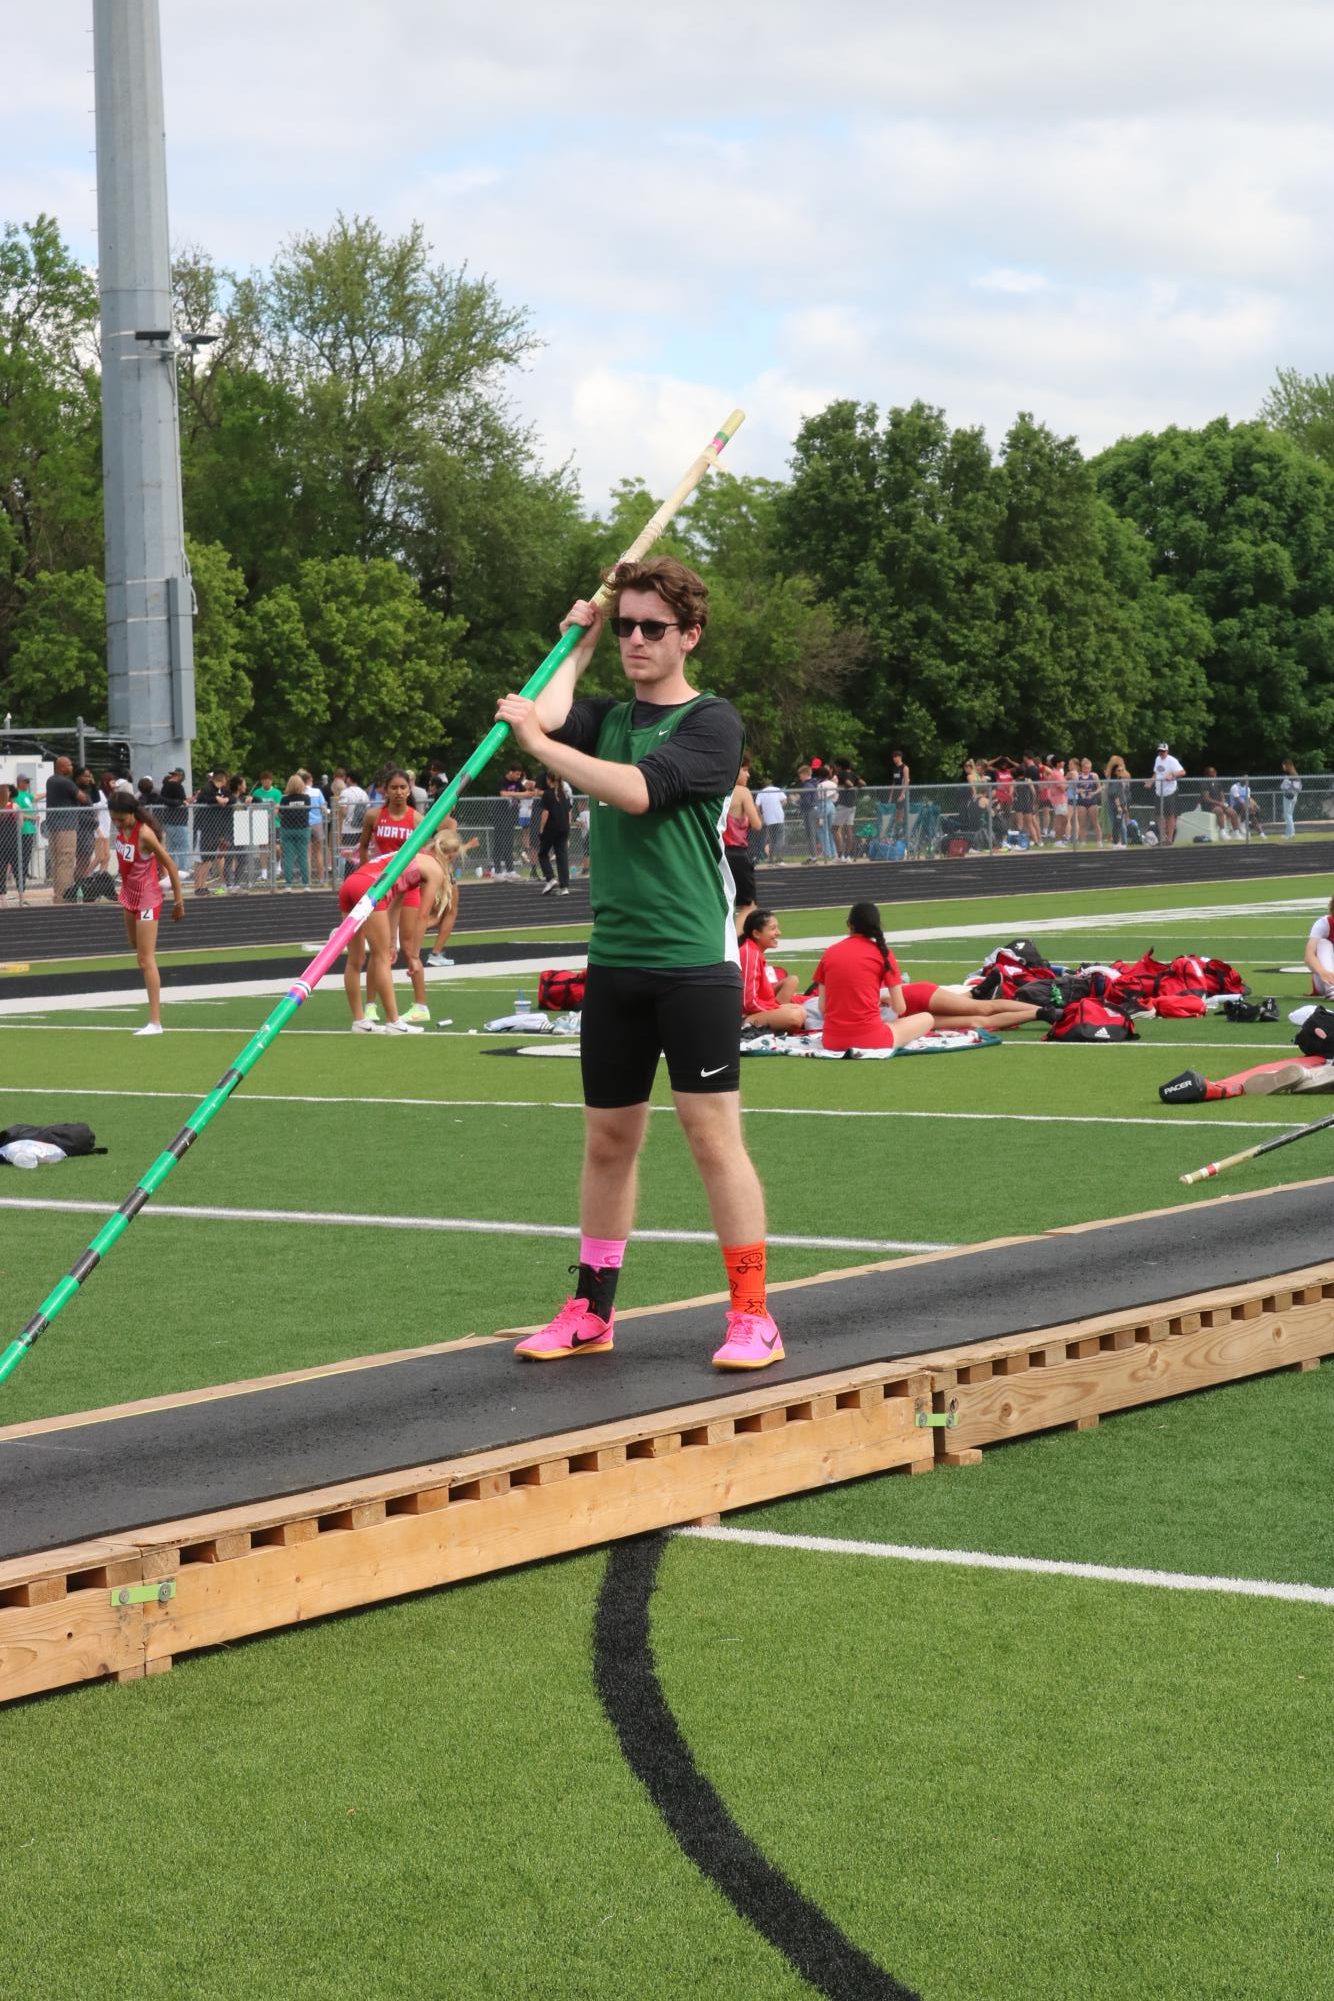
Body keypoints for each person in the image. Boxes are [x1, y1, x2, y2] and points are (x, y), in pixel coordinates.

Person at [493, 553, 784, 1371]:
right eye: (626, 625)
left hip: (693, 962)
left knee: (711, 1137)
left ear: (690, 635)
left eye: (653, 627)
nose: (637, 639)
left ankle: (754, 1313)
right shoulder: (610, 713)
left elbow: (637, 791)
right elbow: (549, 718)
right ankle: (591, 1308)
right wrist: (576, 647)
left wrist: (533, 745)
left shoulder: (712, 724)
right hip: (616, 960)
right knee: (608, 1139)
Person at [338, 843, 447, 1034]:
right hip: (370, 886)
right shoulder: (434, 868)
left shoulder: (407, 856)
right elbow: (423, 915)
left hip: (351, 884)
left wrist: (391, 942)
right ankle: (394, 1022)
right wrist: (413, 956)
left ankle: (359, 1021)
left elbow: (396, 901)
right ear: (449, 856)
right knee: (380, 958)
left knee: (355, 959)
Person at [108, 789, 185, 1035]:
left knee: (145, 958)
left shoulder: (144, 833)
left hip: (148, 898)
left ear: (132, 813)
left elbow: (170, 864)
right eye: (114, 819)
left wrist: (178, 900)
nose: (117, 823)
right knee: (134, 945)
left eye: (121, 819)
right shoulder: (122, 830)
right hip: (129, 894)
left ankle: (155, 1022)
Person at [810, 902, 935, 1052]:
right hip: (872, 1039)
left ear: (849, 925)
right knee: (927, 1018)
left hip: (832, 1041)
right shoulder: (882, 953)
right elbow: (900, 1008)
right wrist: (883, 1001)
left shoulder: (829, 953)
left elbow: (823, 1008)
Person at [360, 770, 430, 1025]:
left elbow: (424, 856)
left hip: (408, 888)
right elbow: (363, 847)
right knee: (378, 948)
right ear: (385, 790)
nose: (399, 792)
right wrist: (366, 876)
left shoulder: (417, 819)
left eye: (403, 787)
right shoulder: (373, 816)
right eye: (394, 787)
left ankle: (420, 1005)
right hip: (381, 888)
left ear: (409, 790)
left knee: (410, 947)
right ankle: (370, 1007)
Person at [739, 909, 807, 1031]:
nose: (778, 932)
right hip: (743, 1017)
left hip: (753, 1011)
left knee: (800, 1010)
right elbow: (748, 1002)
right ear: (756, 934)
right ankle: (748, 1028)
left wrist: (775, 1009)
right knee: (794, 1017)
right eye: (773, 928)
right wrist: (774, 1010)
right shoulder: (749, 953)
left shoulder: (753, 951)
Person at [43, 757, 87, 901]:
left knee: (57, 861)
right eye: (69, 765)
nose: (72, 767)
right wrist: (81, 785)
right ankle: (64, 895)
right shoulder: (66, 782)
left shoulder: (50, 780)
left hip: (54, 826)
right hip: (66, 826)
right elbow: (83, 798)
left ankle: (58, 893)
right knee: (66, 860)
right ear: (61, 767)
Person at [724, 760, 761, 926]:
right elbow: (757, 824)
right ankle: (736, 943)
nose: (748, 774)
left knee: (724, 902)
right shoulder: (742, 792)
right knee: (748, 905)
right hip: (736, 853)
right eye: (745, 769)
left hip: (714, 852)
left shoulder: (713, 789)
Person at [537, 769, 572, 894]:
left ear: (548, 780)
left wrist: (541, 828)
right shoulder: (565, 794)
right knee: (562, 856)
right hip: (564, 828)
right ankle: (564, 887)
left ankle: (550, 878)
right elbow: (569, 812)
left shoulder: (547, 794)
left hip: (551, 828)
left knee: (542, 854)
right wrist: (568, 827)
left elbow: (546, 812)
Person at [1147, 743, 1185, 845]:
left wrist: (1173, 774)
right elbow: (1156, 773)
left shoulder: (1172, 760)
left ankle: (1170, 838)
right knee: (1158, 815)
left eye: (1163, 751)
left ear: (1167, 751)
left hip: (1170, 791)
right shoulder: (1157, 759)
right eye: (1159, 751)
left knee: (1170, 815)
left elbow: (1182, 772)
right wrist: (1151, 781)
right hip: (1159, 791)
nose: (1161, 753)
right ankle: (1163, 837)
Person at [278, 773, 312, 887]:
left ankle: (288, 884)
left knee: (288, 857)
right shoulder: (306, 798)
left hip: (287, 829)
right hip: (302, 829)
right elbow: (307, 811)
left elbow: (280, 813)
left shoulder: (284, 799)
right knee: (303, 857)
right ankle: (306, 884)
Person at [158, 767, 191, 877]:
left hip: (168, 821)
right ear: (180, 776)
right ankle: (182, 872)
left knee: (171, 848)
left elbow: (164, 800)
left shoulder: (165, 785)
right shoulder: (177, 786)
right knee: (183, 847)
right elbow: (179, 801)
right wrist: (182, 802)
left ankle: (170, 872)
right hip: (178, 822)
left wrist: (182, 801)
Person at [1304, 897, 1334, 998]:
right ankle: (1332, 989)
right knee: (1323, 943)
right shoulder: (1325, 923)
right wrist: (1322, 972)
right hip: (1326, 978)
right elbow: (1309, 956)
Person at [1199, 768, 1240, 840]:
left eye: (1215, 772)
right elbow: (1206, 798)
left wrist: (1223, 802)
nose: (1214, 773)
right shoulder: (1204, 783)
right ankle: (1222, 832)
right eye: (1212, 772)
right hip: (1208, 805)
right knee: (1219, 810)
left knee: (1233, 812)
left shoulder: (1218, 782)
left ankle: (1236, 833)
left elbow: (1222, 794)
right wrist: (1220, 803)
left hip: (1219, 804)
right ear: (1207, 774)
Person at [13, 775, 37, 892]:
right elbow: (18, 812)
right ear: (20, 783)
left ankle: (22, 885)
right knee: (20, 858)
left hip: (29, 830)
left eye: (28, 782)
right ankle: (20, 884)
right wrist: (31, 817)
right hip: (21, 830)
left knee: (26, 858)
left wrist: (50, 792)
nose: (28, 784)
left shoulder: (27, 795)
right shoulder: (16, 795)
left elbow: (35, 797)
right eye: (26, 782)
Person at [754, 777, 788, 861]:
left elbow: (757, 806)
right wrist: (778, 806)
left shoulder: (761, 793)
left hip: (768, 819)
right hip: (779, 817)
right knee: (780, 838)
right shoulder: (777, 789)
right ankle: (779, 857)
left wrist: (760, 816)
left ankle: (771, 858)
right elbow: (785, 801)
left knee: (772, 839)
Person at [1104, 755, 1132, 846]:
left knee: (1120, 823)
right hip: (1113, 801)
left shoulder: (1124, 775)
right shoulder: (1111, 776)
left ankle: (1123, 842)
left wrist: (1121, 805)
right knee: (1116, 823)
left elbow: (1121, 791)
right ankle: (1118, 842)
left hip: (1119, 802)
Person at [0, 785, 20, 901]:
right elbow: (20, 824)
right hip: (11, 842)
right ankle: (20, 898)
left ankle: (2, 898)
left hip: (3, 842)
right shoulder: (14, 806)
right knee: (17, 869)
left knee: (2, 869)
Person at [1281, 759, 1302, 840]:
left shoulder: (1293, 774)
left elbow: (1296, 787)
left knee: (1288, 815)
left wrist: (1287, 785)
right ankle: (1287, 833)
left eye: (1283, 765)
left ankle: (1291, 833)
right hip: (1293, 796)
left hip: (1289, 797)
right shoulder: (1293, 774)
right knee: (1289, 815)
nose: (1282, 767)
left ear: (1287, 765)